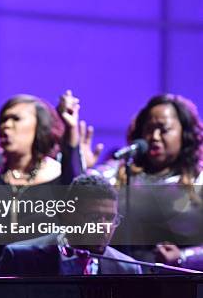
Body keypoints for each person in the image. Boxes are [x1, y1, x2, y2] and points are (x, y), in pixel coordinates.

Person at [0, 92, 84, 275]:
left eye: (16, 119)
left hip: (43, 282)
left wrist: (71, 132)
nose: (6, 125)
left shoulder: (59, 175)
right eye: (3, 119)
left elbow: (80, 199)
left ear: (40, 127)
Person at [85, 94, 203, 267]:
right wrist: (77, 160)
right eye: (149, 129)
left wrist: (184, 257)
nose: (154, 136)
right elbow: (79, 196)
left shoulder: (199, 178)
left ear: (185, 135)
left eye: (163, 129)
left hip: (181, 285)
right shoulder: (119, 173)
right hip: (122, 279)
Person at [0, 175, 142, 276]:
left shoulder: (128, 268)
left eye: (110, 218)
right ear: (67, 215)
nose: (104, 226)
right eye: (94, 217)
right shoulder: (20, 257)